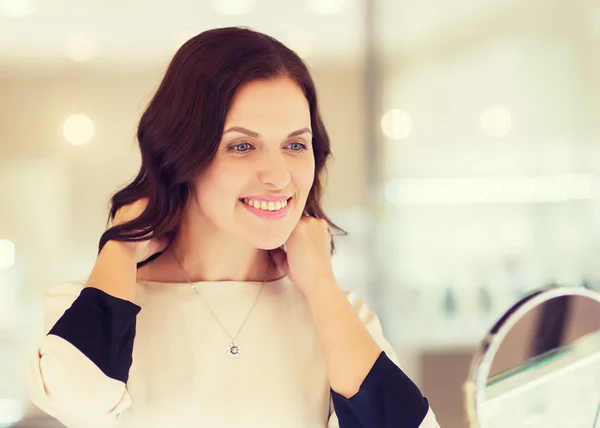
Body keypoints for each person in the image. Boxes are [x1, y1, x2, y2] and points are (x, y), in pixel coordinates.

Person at [26, 27, 440, 428]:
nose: (278, 176)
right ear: (181, 153)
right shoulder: (92, 306)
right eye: (242, 146)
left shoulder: (337, 315)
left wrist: (320, 284)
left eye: (295, 145)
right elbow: (81, 400)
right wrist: (123, 240)